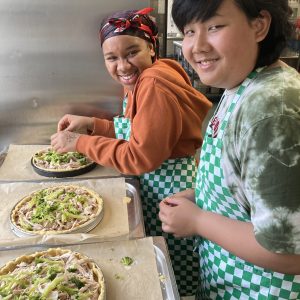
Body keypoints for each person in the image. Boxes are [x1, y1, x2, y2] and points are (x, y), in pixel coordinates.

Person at [51, 7, 212, 296]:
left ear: (151, 48)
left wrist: (79, 143)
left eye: (131, 52)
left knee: (174, 264)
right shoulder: (147, 77)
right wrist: (92, 124)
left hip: (170, 187)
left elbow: (140, 156)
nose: (122, 66)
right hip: (162, 180)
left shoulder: (153, 85)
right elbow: (137, 130)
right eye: (111, 58)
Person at [159, 0, 300, 299]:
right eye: (189, 31)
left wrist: (198, 220)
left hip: (261, 290)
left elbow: (290, 254)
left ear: (259, 25)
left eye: (214, 27)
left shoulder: (272, 108)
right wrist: (205, 195)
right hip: (228, 282)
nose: (197, 46)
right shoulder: (242, 85)